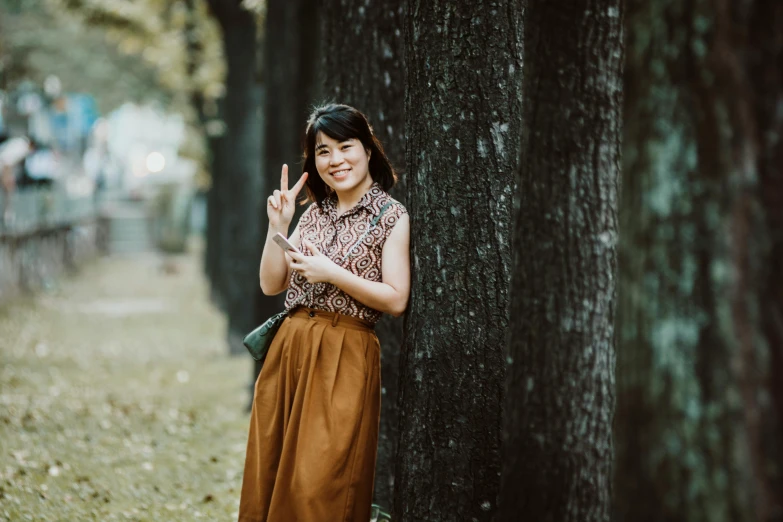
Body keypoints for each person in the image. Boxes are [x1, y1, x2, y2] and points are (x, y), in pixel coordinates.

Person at [238, 103, 410, 522]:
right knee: (270, 471)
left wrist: (331, 273)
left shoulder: (392, 216)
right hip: (291, 348)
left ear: (368, 149)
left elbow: (396, 298)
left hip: (344, 353)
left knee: (320, 481)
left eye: (345, 146)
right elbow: (271, 283)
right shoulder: (314, 212)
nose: (335, 160)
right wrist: (277, 226)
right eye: (323, 151)